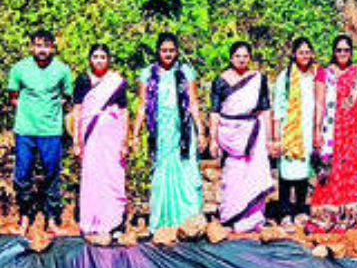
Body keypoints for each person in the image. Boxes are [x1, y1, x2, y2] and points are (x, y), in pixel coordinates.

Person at [132, 32, 204, 230]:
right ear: (157, 51)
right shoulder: (147, 74)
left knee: (187, 172)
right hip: (161, 131)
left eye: (172, 50)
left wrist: (201, 130)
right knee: (162, 173)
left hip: (183, 129)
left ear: (177, 51)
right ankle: (163, 222)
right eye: (164, 50)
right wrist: (135, 134)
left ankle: (189, 221)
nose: (168, 54)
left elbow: (193, 103)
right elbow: (142, 106)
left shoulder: (185, 72)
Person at [5, 29, 74, 235]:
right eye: (37, 45)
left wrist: (49, 110)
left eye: (46, 45)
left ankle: (52, 220)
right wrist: (29, 111)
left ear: (53, 47)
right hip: (25, 130)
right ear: (31, 47)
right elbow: (13, 96)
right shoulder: (19, 68)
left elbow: (66, 96)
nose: (42, 49)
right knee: (22, 175)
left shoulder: (62, 70)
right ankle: (25, 217)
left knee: (52, 175)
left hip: (51, 131)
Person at [307, 34, 357, 234]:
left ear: (351, 52)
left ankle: (347, 217)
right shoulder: (324, 74)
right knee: (330, 172)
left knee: (351, 171)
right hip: (332, 131)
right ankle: (325, 216)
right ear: (334, 52)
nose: (343, 53)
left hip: (353, 130)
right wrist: (317, 131)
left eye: (346, 50)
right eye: (339, 50)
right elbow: (319, 104)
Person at [210, 41, 273, 233]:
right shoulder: (220, 81)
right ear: (231, 58)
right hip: (229, 132)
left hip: (253, 132)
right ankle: (231, 216)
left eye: (245, 56)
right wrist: (213, 138)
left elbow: (265, 109)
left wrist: (269, 138)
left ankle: (253, 219)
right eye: (238, 56)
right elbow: (215, 111)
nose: (241, 59)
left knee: (254, 173)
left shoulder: (257, 79)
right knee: (233, 173)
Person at [70, 44, 128, 238]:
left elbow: (123, 111)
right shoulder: (83, 80)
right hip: (90, 135)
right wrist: (77, 140)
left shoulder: (116, 81)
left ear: (108, 59)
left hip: (112, 135)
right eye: (95, 56)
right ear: (90, 59)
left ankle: (114, 222)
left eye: (103, 57)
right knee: (93, 176)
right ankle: (92, 222)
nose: (99, 60)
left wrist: (124, 141)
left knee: (113, 175)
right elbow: (77, 110)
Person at [271, 38, 319, 230]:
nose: (305, 56)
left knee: (303, 171)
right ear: (294, 54)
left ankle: (300, 209)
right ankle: (284, 212)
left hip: (308, 129)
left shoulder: (316, 75)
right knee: (286, 171)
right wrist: (276, 136)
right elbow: (278, 107)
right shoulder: (286, 76)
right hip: (290, 130)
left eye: (308, 52)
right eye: (301, 52)